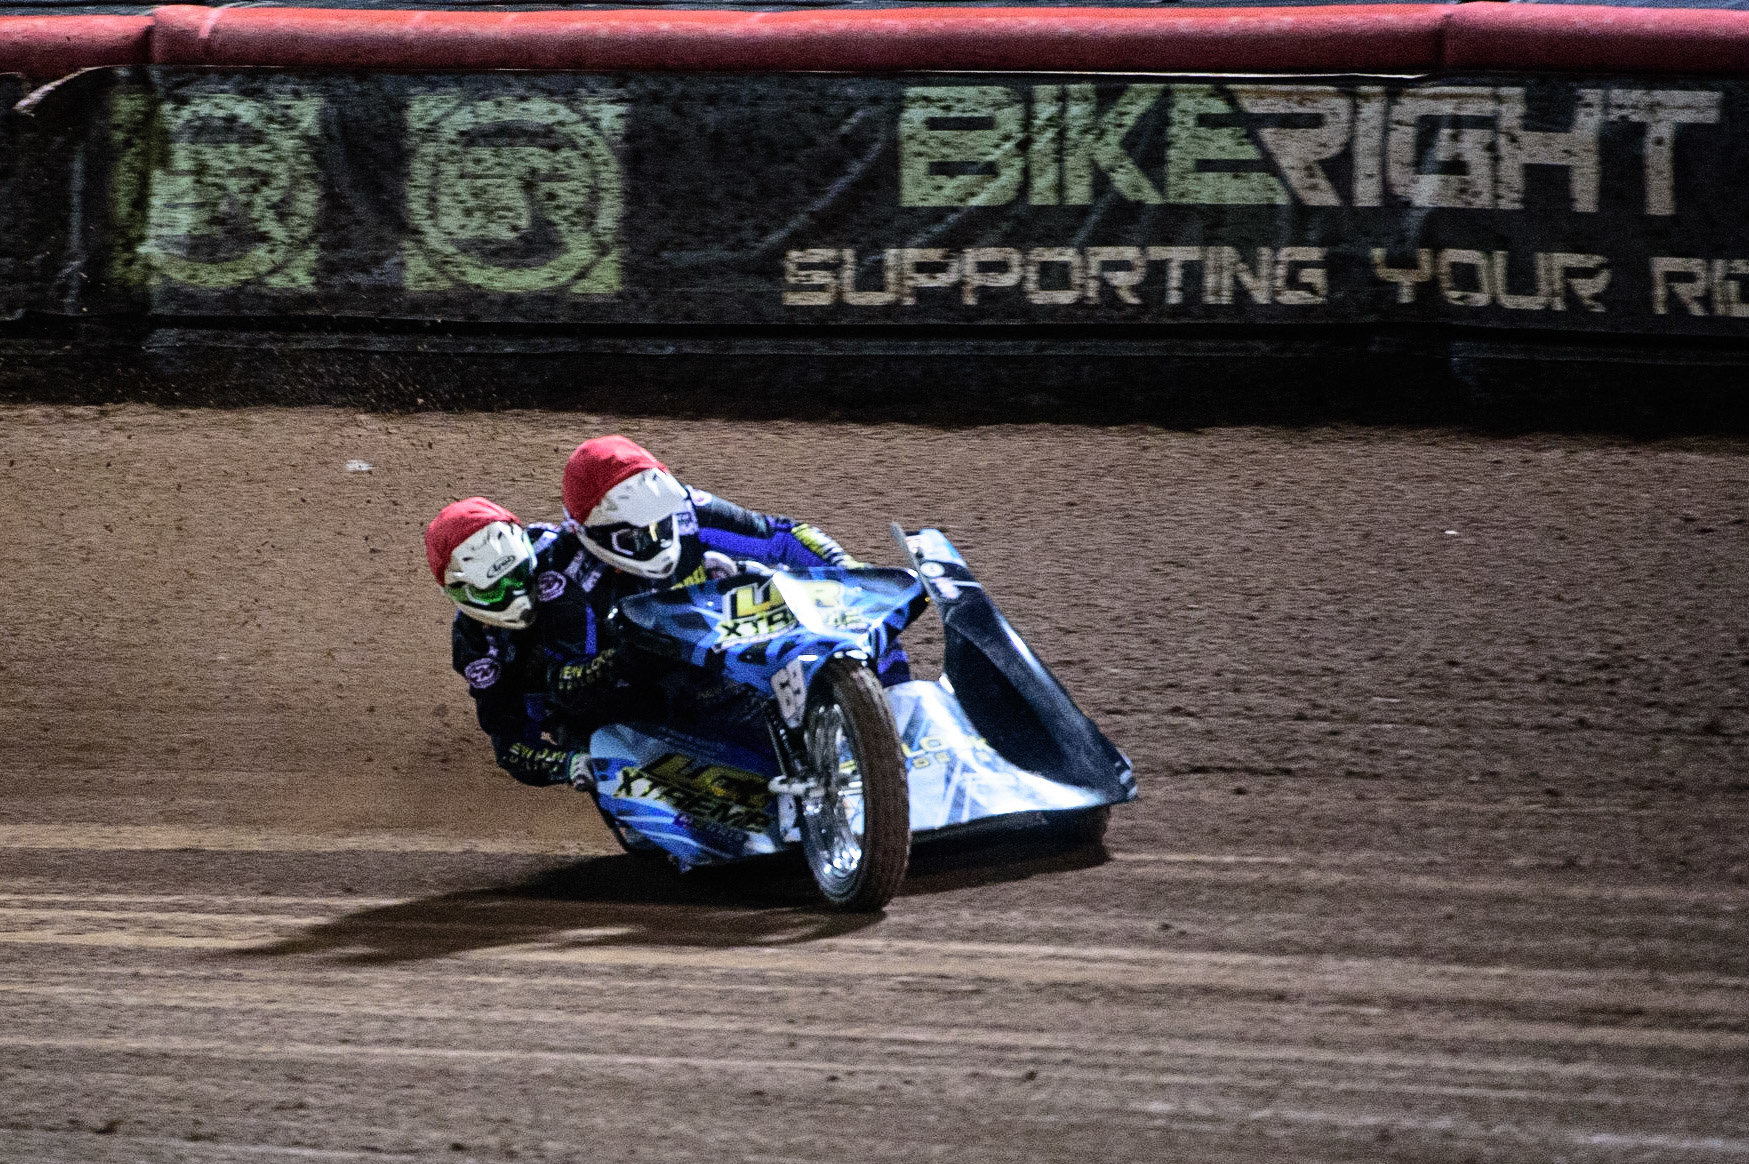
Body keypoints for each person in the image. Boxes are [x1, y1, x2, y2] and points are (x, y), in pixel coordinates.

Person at [426, 435, 904, 789]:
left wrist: (853, 573)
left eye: (660, 526)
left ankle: (897, 711)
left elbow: (781, 535)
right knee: (610, 728)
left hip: (721, 630)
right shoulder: (562, 580)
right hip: (637, 691)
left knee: (828, 604)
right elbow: (560, 687)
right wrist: (622, 668)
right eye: (635, 536)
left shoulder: (687, 508)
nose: (655, 541)